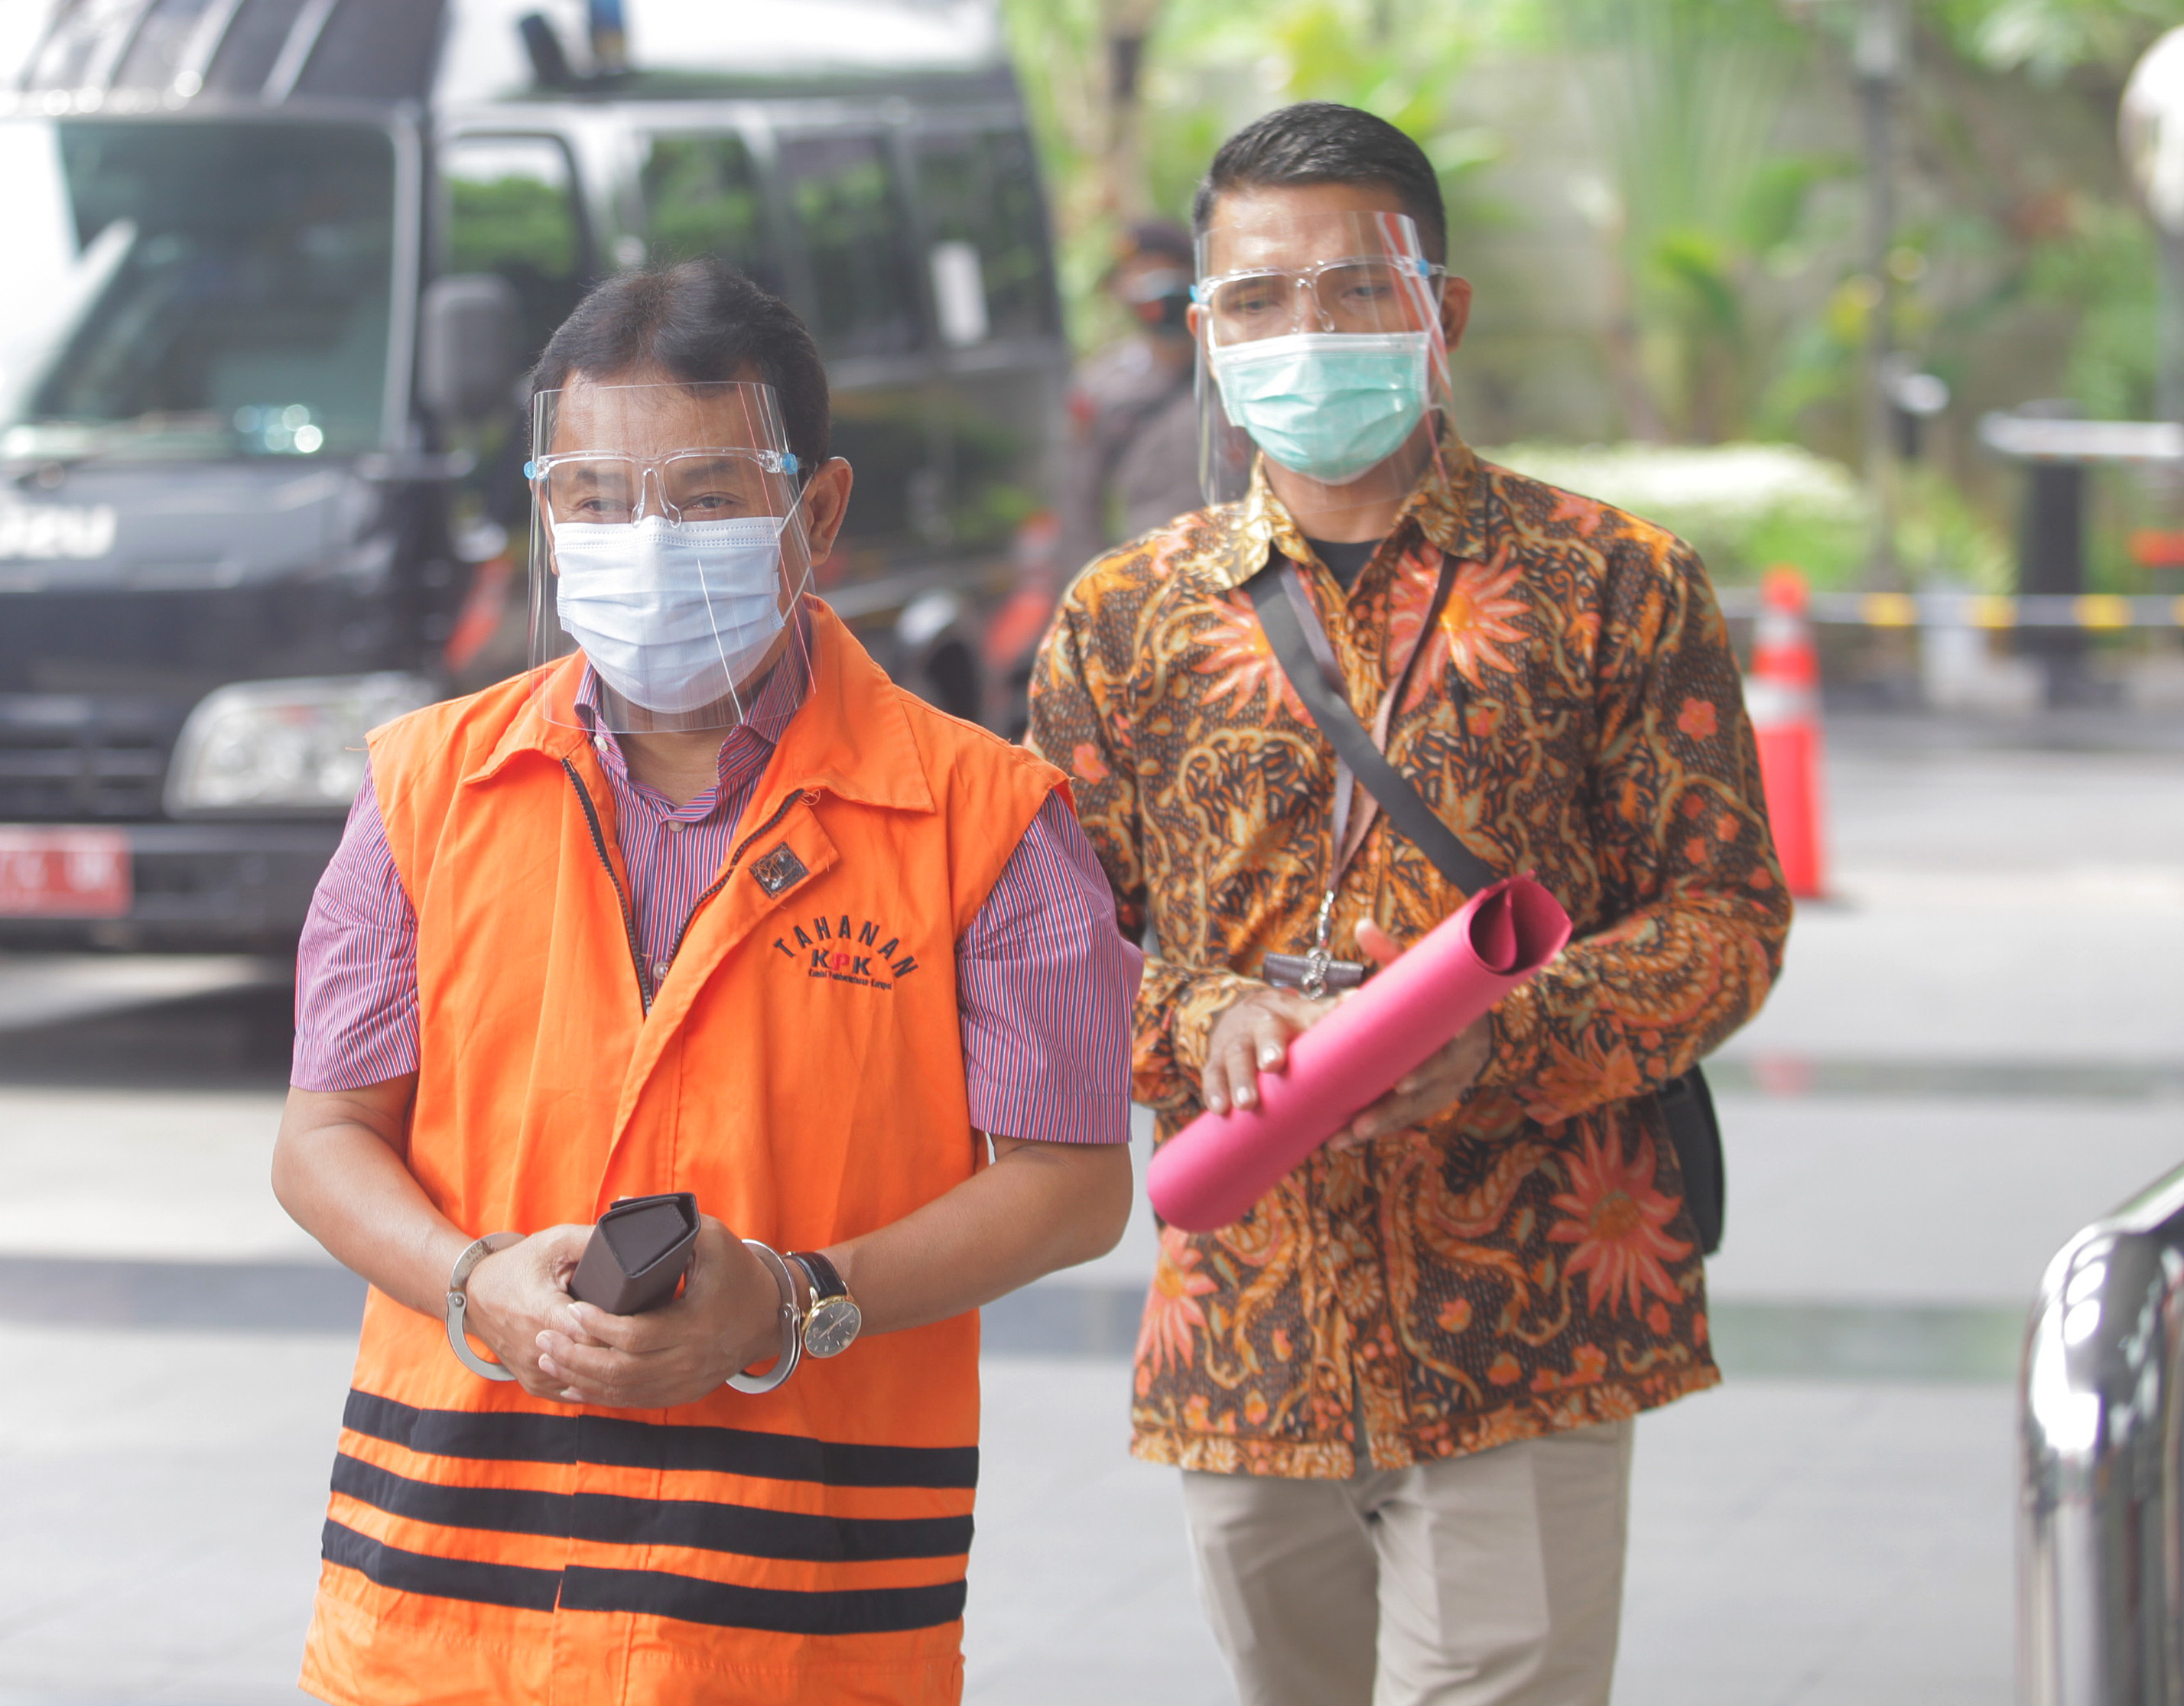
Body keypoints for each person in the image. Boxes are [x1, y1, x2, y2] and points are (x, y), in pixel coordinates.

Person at [276, 258, 1143, 1706]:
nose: (643, 540)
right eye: (594, 498)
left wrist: (794, 1298)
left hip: (789, 1620)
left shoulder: (984, 816)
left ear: (819, 511)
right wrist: (475, 1282)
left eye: (703, 494)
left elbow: (1072, 1182)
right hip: (446, 1603)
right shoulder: (425, 787)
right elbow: (323, 1136)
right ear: (546, 513)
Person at [1028, 102, 1791, 1706]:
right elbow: (1043, 951)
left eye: (1356, 290)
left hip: (1534, 1312)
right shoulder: (1121, 619)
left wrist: (1501, 1034)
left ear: (1441, 309)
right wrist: (1204, 1015)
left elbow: (1724, 916)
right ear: (1204, 331)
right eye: (1256, 297)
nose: (1305, 331)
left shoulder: (1613, 583)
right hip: (1249, 1316)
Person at [1057, 217, 1237, 571]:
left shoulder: (1234, 367)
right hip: (1154, 570)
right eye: (1136, 274)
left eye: (1162, 270)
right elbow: (1080, 499)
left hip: (1244, 561)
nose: (1152, 286)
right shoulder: (1102, 385)